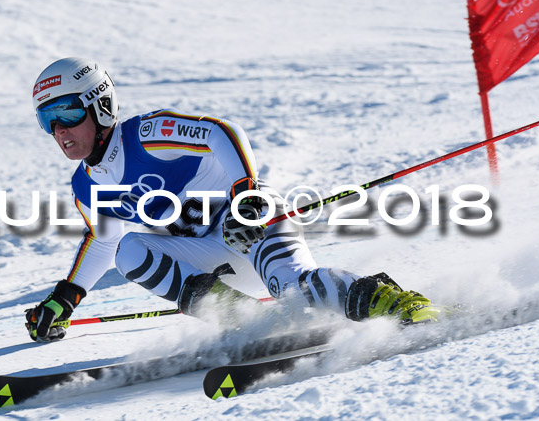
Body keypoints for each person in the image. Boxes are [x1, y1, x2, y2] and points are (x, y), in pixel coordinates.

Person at [25, 57, 442, 342]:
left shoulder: (145, 134)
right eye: (48, 119)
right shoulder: (85, 186)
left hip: (252, 224)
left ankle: (398, 303)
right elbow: (103, 240)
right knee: (130, 251)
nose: (59, 130)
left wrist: (246, 192)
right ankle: (246, 321)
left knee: (297, 287)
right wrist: (66, 298)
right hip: (213, 256)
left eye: (66, 112)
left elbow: (220, 131)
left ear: (99, 104)